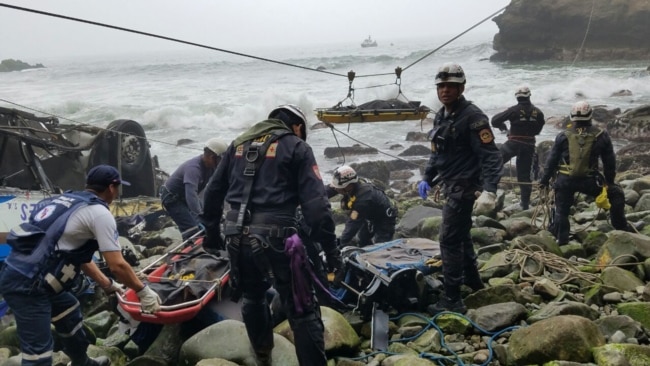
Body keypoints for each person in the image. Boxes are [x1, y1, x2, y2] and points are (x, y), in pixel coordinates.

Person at [200, 104, 342, 366]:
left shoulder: (238, 145)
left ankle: (263, 354)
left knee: (253, 296)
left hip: (235, 236)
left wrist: (211, 234)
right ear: (297, 126)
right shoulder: (297, 147)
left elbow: (211, 194)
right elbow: (318, 209)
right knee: (302, 308)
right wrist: (331, 251)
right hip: (278, 239)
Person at [0, 165, 162, 366]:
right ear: (111, 187)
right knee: (38, 355)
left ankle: (82, 362)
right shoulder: (99, 213)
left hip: (26, 273)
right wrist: (143, 291)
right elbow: (117, 265)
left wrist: (107, 284)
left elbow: (76, 254)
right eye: (117, 188)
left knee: (69, 311)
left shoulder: (61, 201)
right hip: (29, 285)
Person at [417, 62, 502, 315]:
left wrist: (490, 190)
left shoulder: (473, 117)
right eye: (441, 86)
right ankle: (473, 281)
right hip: (450, 183)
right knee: (462, 235)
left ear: (461, 87)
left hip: (465, 188)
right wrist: (427, 177)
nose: (445, 90)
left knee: (449, 239)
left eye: (451, 86)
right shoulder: (441, 115)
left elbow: (490, 155)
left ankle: (452, 299)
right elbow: (437, 152)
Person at [539, 101, 631, 245]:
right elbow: (609, 163)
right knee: (616, 195)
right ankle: (621, 227)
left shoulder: (563, 135)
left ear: (572, 117)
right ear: (590, 115)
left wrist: (544, 180)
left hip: (565, 180)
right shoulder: (601, 135)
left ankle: (562, 240)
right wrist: (610, 182)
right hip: (590, 181)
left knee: (561, 209)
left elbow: (551, 160)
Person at [491, 86, 546, 209]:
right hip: (529, 146)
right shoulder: (538, 112)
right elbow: (538, 128)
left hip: (513, 144)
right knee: (524, 176)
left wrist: (503, 127)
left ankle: (487, 193)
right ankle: (525, 204)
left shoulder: (514, 110)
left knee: (493, 165)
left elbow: (494, 120)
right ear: (529, 95)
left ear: (517, 97)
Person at [160, 138, 227, 239]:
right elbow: (191, 195)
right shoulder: (194, 169)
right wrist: (200, 216)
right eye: (219, 160)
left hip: (186, 196)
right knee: (192, 229)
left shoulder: (212, 167)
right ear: (211, 157)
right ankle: (189, 249)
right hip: (173, 198)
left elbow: (215, 190)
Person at [325, 165, 397, 247]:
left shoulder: (363, 198)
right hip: (368, 215)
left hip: (384, 219)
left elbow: (352, 224)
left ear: (349, 186)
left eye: (338, 188)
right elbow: (328, 190)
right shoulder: (348, 186)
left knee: (381, 246)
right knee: (362, 240)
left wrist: (340, 244)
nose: (336, 189)